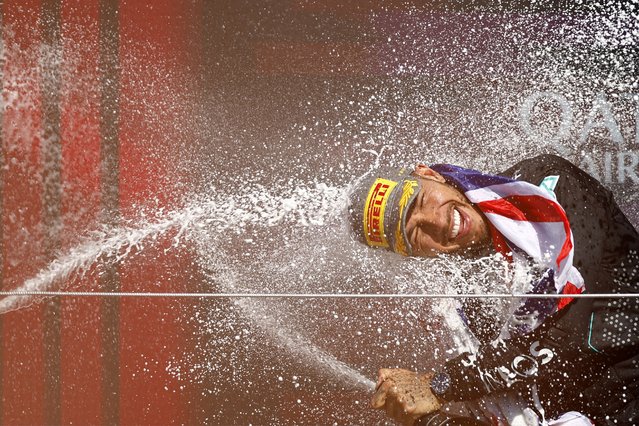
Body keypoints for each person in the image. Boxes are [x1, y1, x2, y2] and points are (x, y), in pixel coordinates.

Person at [347, 154, 639, 425]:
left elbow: (572, 338)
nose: (438, 222)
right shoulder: (468, 294)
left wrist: (439, 385)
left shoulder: (546, 184)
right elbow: (522, 386)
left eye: (420, 201)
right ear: (414, 256)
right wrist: (426, 417)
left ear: (428, 174)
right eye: (416, 233)